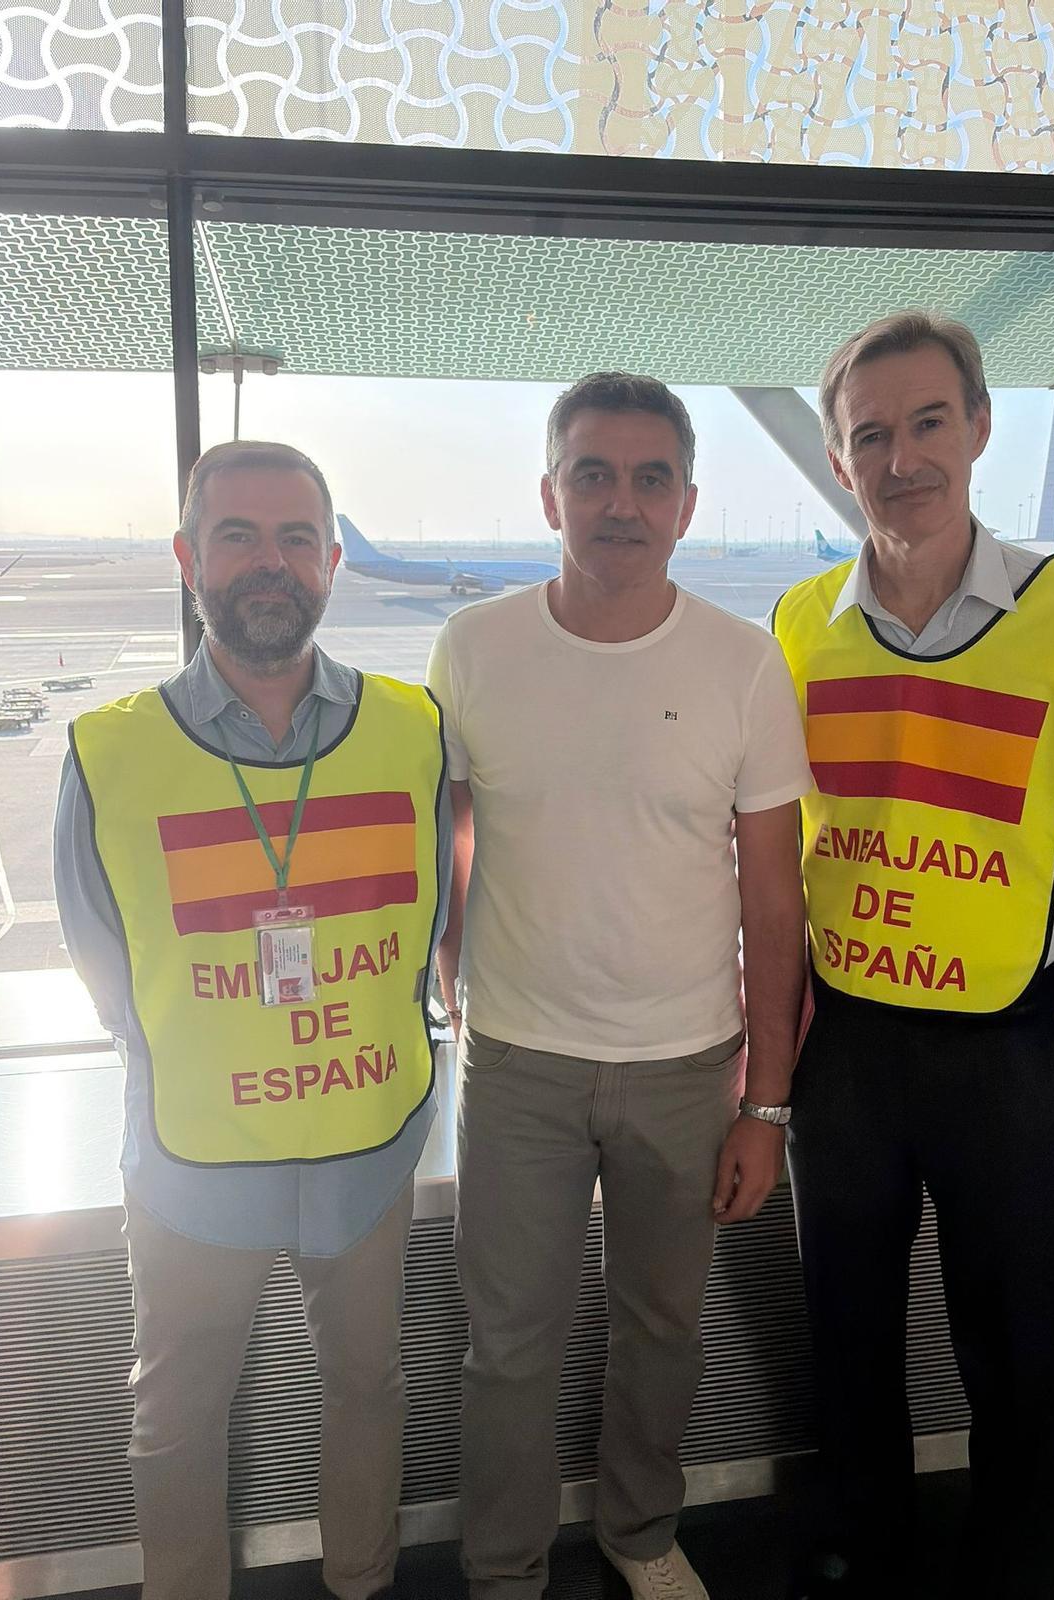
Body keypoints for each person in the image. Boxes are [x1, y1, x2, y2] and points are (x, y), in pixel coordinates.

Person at [770, 313, 1054, 1599]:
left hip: (1014, 1052)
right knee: (848, 1348)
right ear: (840, 462)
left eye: (928, 422)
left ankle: (1012, 1572)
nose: (903, 458)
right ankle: (871, 1563)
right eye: (870, 435)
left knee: (1017, 1359)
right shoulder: (794, 630)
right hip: (847, 1051)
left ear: (980, 429)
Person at [428, 372, 811, 1600]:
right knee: (508, 1352)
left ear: (688, 505)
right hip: (520, 1067)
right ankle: (503, 1571)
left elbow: (772, 902)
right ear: (550, 492)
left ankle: (642, 1533)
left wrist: (766, 1101)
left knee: (661, 1335)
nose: (620, 502)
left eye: (651, 478)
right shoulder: (473, 647)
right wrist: (448, 953)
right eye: (593, 472)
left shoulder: (743, 664)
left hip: (689, 1069)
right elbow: (455, 827)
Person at [53, 441, 449, 1600]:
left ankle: (362, 1582)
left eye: (293, 538)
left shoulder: (416, 730)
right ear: (189, 558)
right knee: (175, 1420)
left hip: (365, 1155)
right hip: (191, 1162)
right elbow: (103, 964)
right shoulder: (110, 748)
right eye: (237, 535)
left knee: (369, 1389)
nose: (267, 563)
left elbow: (431, 919)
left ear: (331, 562)